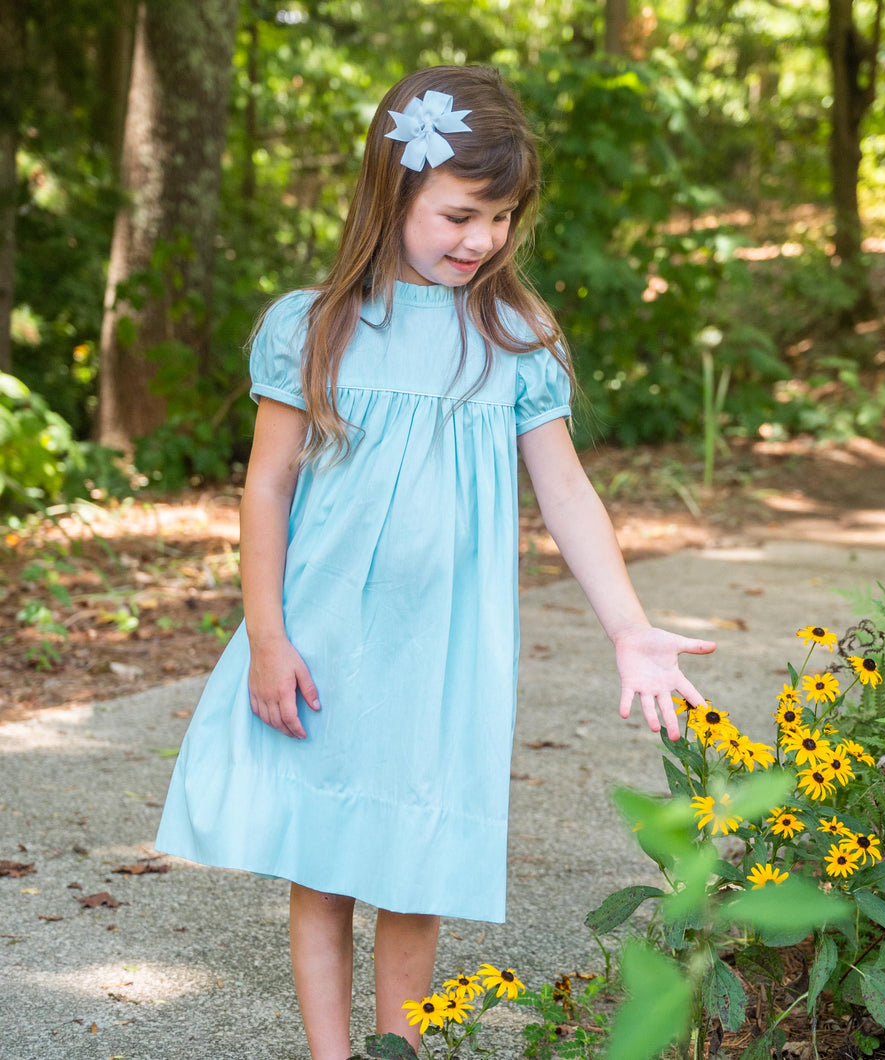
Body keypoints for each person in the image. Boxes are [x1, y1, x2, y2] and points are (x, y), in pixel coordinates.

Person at [155, 65, 715, 1060]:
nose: (481, 240)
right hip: (324, 636)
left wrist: (628, 625)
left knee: (417, 862)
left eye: (500, 218)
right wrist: (269, 638)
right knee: (323, 861)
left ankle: (394, 1052)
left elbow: (567, 490)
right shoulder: (315, 326)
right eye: (459, 213)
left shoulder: (513, 337)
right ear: (392, 188)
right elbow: (267, 488)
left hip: (443, 651)